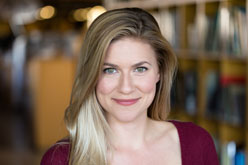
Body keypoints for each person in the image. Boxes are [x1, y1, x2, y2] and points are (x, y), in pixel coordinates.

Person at [41, 7, 219, 165]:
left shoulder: (197, 143)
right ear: (91, 75)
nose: (125, 88)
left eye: (140, 69)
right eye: (110, 70)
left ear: (160, 71)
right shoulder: (60, 160)